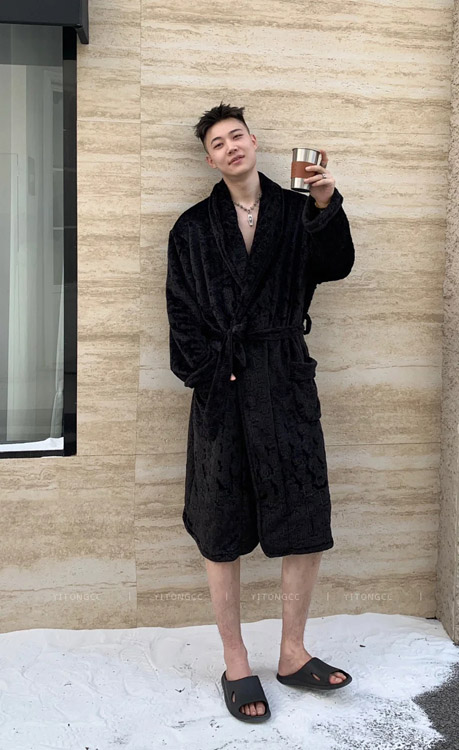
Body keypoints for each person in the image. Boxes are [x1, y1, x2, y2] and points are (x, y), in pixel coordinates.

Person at [165, 103, 355, 722]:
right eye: (218, 143)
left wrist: (325, 204)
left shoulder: (296, 211)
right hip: (223, 386)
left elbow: (335, 266)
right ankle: (236, 659)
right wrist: (209, 372)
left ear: (254, 141)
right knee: (221, 521)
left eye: (237, 135)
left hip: (284, 377)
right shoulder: (192, 228)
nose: (231, 147)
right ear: (210, 160)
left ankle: (293, 653)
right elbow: (181, 315)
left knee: (303, 509)